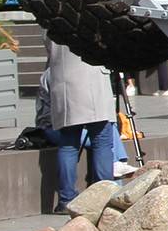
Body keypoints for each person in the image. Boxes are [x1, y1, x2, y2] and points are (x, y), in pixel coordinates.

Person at [37, 38, 120, 211]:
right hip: (95, 81)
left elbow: (48, 45)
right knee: (102, 141)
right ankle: (104, 196)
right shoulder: (93, 15)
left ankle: (66, 200)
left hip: (65, 83)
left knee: (68, 144)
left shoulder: (50, 16)